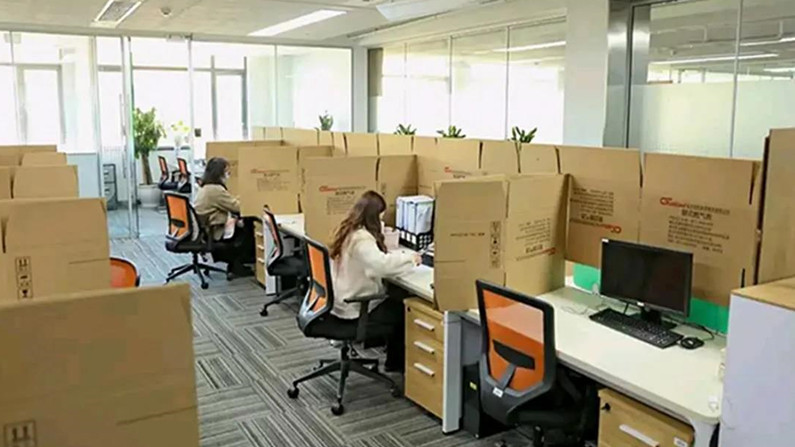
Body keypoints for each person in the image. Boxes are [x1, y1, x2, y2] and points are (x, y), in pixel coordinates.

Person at [329, 190, 421, 372]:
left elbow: (374, 263)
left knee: (396, 294)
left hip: (340, 302)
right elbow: (381, 266)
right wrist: (410, 258)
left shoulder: (349, 231)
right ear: (373, 217)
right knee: (404, 306)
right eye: (380, 217)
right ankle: (396, 364)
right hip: (355, 309)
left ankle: (393, 360)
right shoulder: (361, 239)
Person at [194, 157, 254, 277]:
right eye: (226, 171)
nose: (228, 174)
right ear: (219, 173)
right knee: (249, 223)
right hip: (215, 231)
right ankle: (237, 265)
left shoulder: (206, 187)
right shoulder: (215, 190)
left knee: (240, 222)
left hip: (205, 230)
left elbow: (228, 202)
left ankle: (237, 263)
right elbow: (237, 207)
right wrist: (250, 198)